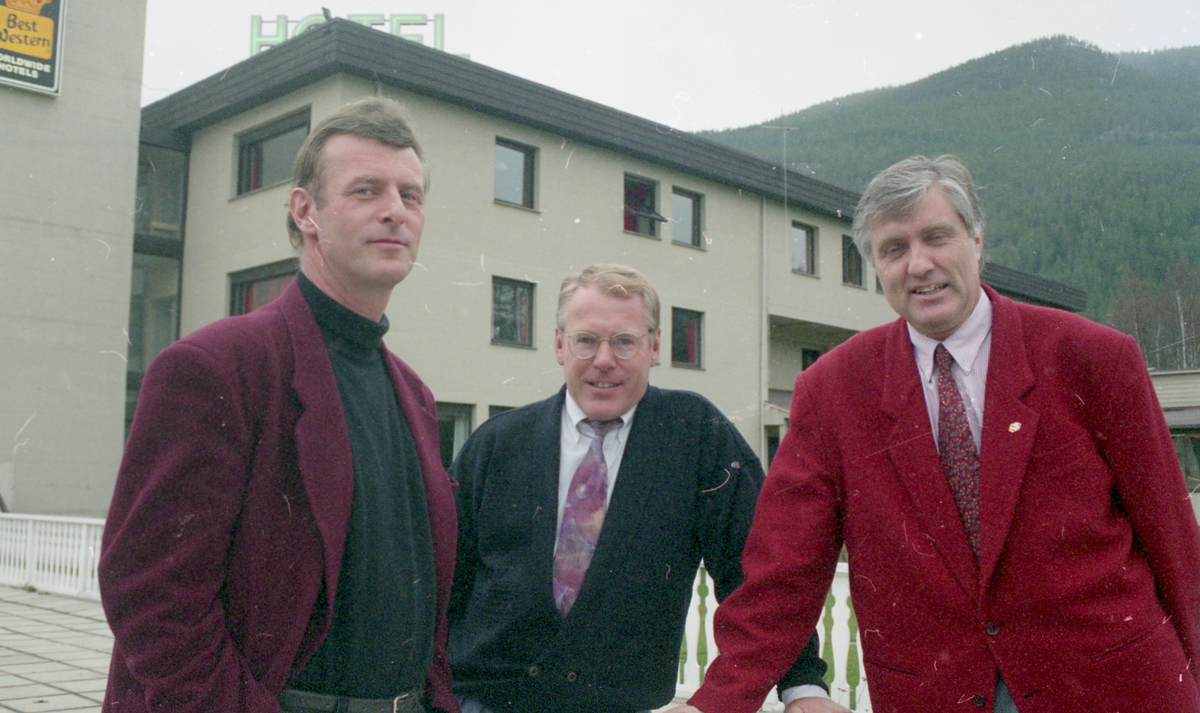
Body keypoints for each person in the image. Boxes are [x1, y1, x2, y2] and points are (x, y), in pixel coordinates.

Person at [670, 155, 1200, 713]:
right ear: (876, 265)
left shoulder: (1092, 357)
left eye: (936, 237)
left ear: (976, 239)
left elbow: (1172, 539)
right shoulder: (832, 391)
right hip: (935, 693)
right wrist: (714, 704)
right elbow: (784, 570)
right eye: (894, 249)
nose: (919, 265)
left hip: (1111, 688)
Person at [99, 98, 460, 713]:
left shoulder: (417, 396)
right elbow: (152, 595)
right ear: (305, 211)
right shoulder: (219, 366)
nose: (395, 211)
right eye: (366, 190)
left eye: (411, 194)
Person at [448, 264, 846, 713]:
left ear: (654, 346)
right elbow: (443, 581)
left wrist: (803, 686)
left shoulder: (697, 435)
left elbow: (756, 574)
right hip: (484, 702)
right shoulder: (497, 442)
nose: (603, 359)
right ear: (559, 345)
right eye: (585, 340)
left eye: (624, 341)